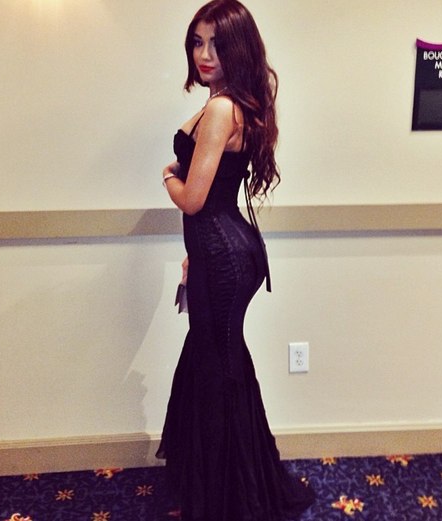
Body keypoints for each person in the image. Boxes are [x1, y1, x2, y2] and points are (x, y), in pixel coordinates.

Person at [157, 1, 316, 519]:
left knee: (220, 363)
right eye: (197, 42)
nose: (204, 54)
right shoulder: (226, 102)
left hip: (224, 256)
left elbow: (194, 200)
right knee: (218, 359)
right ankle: (228, 482)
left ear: (238, 48)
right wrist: (193, 256)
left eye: (217, 44)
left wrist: (167, 177)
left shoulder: (222, 108)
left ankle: (235, 493)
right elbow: (213, 190)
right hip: (221, 252)